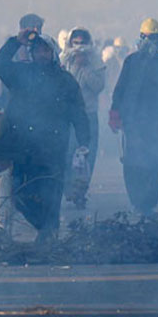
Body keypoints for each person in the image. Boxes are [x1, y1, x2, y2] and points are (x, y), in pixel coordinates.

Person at [0, 31, 89, 242]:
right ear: (31, 52)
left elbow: (78, 112)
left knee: (52, 193)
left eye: (45, 49)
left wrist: (84, 142)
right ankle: (43, 226)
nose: (42, 54)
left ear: (53, 52)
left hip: (53, 147)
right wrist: (14, 41)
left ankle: (49, 234)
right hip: (23, 146)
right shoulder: (21, 74)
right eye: (37, 49)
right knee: (19, 193)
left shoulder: (66, 81)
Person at [109, 18, 158, 216]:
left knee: (157, 162)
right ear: (141, 37)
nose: (151, 41)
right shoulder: (131, 61)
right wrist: (114, 114)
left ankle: (149, 203)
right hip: (133, 124)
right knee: (132, 164)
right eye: (147, 37)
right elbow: (119, 90)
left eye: (155, 38)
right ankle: (137, 203)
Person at [59, 27, 106, 208]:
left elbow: (98, 87)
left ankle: (80, 192)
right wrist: (73, 64)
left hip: (88, 114)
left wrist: (84, 67)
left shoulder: (96, 63)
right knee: (67, 153)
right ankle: (68, 189)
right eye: (75, 43)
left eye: (82, 43)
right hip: (68, 116)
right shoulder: (64, 60)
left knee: (87, 156)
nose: (79, 47)